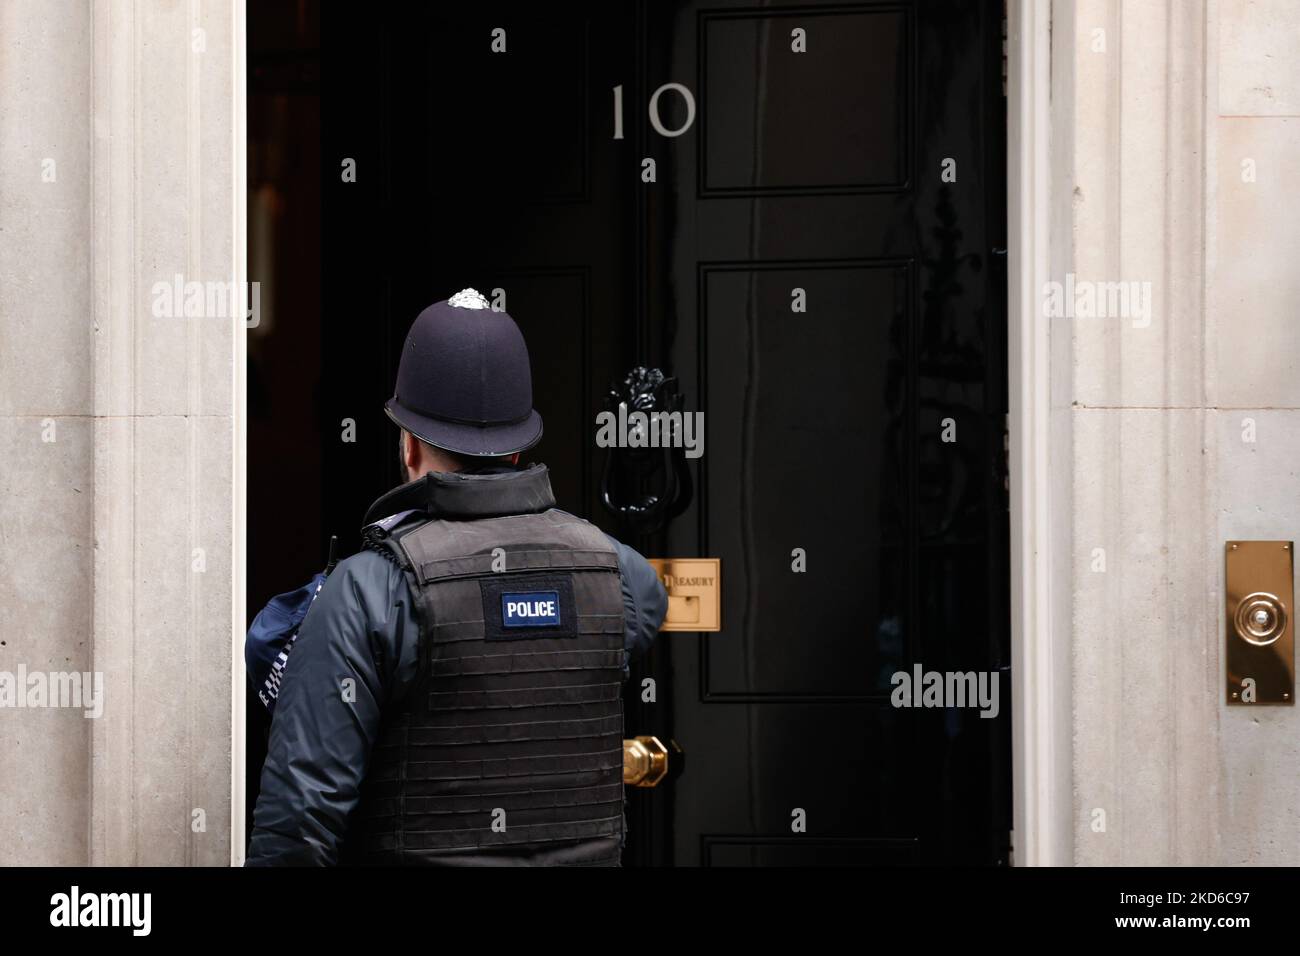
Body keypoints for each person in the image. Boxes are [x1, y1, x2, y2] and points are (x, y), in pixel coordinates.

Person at [247, 288, 667, 866]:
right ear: (519, 451)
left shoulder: (369, 590)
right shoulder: (620, 573)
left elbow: (299, 823)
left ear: (410, 445)